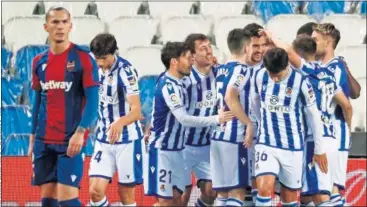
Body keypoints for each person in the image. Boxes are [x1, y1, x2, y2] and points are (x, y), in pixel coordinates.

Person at [263, 31, 353, 206]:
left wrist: (270, 34)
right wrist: (347, 134)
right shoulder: (327, 74)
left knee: (320, 196)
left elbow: (288, 52)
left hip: (316, 141)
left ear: (300, 54)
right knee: (309, 195)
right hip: (332, 139)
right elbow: (347, 106)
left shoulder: (307, 71)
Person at [144, 41, 232, 206]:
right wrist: (217, 119)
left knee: (177, 198)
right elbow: (183, 118)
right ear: (174, 61)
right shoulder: (169, 85)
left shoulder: (179, 81)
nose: (191, 61)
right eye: (187, 58)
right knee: (167, 201)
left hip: (178, 150)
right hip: (162, 151)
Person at [28, 6, 99, 207]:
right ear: (46, 26)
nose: (60, 26)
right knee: (47, 201)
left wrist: (80, 132)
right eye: (55, 22)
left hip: (70, 141)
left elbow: (93, 101)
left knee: (68, 201)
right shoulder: (38, 62)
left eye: (64, 22)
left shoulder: (83, 58)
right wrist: (32, 137)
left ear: (70, 26)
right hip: (44, 141)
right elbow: (37, 102)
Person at [251, 48, 327, 206]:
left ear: (286, 66)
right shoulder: (259, 76)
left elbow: (314, 117)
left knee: (289, 198)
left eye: (277, 75)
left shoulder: (301, 81)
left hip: (293, 148)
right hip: (266, 143)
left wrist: (319, 149)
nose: (275, 79)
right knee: (264, 188)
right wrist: (261, 125)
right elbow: (255, 103)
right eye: (271, 75)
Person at [88, 33, 144, 207]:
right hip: (103, 140)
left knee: (126, 195)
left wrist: (120, 122)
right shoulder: (93, 66)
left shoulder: (126, 72)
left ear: (114, 53)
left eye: (104, 58)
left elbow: (136, 111)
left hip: (127, 140)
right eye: (97, 58)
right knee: (95, 192)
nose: (100, 63)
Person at [312, 23, 360, 206]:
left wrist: (347, 131)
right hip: (324, 134)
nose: (312, 43)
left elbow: (347, 104)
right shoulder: (319, 66)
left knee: (332, 190)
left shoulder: (336, 68)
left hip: (335, 131)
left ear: (329, 42)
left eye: (315, 39)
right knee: (326, 189)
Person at [211, 28, 254, 207]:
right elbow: (230, 96)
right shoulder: (243, 70)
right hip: (235, 137)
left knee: (222, 194)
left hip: (217, 136)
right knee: (237, 193)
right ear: (246, 48)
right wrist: (248, 123)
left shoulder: (220, 69)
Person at [180, 33, 217, 207]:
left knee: (211, 192)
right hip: (182, 147)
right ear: (192, 56)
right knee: (181, 197)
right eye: (203, 49)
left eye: (209, 47)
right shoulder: (185, 79)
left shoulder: (219, 74)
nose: (209, 51)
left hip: (206, 147)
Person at [241, 23, 267, 205]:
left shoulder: (270, 68)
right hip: (239, 135)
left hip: (264, 137)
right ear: (245, 47)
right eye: (255, 46)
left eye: (263, 45)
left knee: (260, 184)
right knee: (241, 188)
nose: (260, 50)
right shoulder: (233, 69)